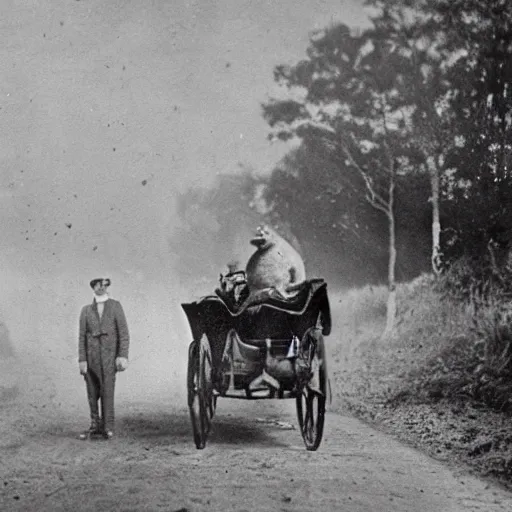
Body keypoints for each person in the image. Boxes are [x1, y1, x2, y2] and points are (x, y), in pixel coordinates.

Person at [78, 278, 130, 440]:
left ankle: (108, 427)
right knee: (92, 392)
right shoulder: (86, 310)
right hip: (91, 357)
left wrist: (122, 356)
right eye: (97, 285)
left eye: (103, 285)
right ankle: (95, 425)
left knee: (108, 390)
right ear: (93, 288)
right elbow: (81, 337)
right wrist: (82, 360)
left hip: (109, 356)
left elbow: (123, 333)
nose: (100, 288)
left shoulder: (115, 306)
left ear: (107, 287)